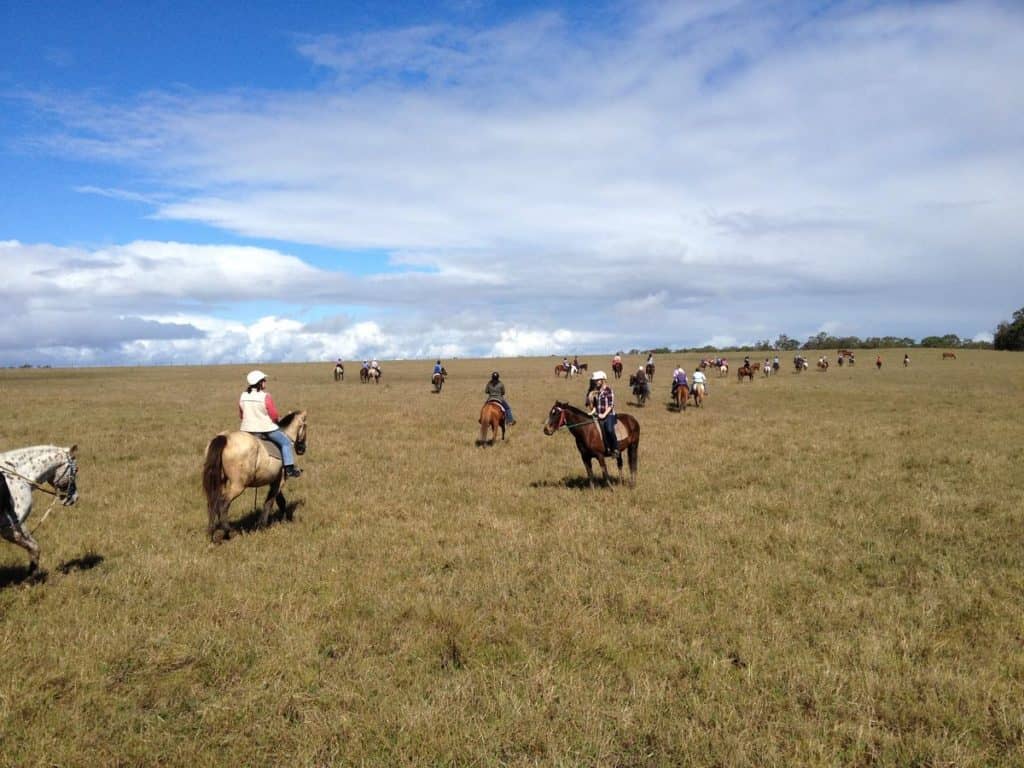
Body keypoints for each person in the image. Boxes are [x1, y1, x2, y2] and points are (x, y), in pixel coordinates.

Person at [239, 370, 302, 478]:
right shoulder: (266, 396)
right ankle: (289, 469)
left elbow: (241, 414)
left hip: (246, 429)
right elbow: (274, 415)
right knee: (286, 442)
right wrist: (277, 420)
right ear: (259, 383)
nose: (265, 382)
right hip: (265, 429)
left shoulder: (243, 396)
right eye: (264, 380)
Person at [588, 371, 618, 458]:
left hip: (609, 415)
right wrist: (592, 410)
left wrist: (604, 415)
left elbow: (611, 405)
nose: (595, 382)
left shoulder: (609, 390)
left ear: (602, 380)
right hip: (598, 414)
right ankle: (605, 448)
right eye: (595, 381)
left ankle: (615, 449)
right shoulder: (596, 391)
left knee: (609, 429)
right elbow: (595, 405)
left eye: (597, 380)